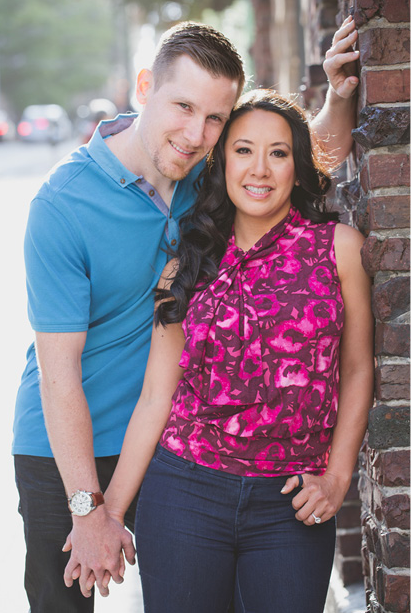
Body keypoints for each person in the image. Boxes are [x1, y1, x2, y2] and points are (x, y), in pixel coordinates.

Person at [12, 18, 361, 611]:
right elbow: (58, 376)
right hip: (68, 443)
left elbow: (296, 157)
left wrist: (336, 95)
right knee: (65, 601)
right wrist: (89, 507)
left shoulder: (206, 168)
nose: (196, 133)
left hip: (173, 441)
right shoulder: (62, 206)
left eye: (215, 119)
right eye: (182, 107)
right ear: (145, 86)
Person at [95, 89, 374, 613]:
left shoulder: (339, 249)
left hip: (291, 501)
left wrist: (338, 477)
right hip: (184, 493)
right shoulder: (186, 266)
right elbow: (157, 395)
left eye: (279, 152)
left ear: (297, 164)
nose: (260, 169)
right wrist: (109, 513)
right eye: (244, 150)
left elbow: (358, 369)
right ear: (221, 162)